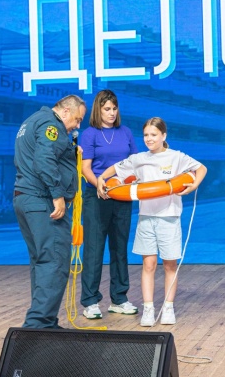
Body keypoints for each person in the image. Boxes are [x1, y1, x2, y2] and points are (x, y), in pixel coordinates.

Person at [96, 117, 207, 326]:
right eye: (146, 135)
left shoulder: (176, 157)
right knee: (148, 264)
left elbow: (201, 168)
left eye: (153, 135)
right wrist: (102, 178)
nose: (149, 138)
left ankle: (168, 308)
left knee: (170, 265)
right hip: (146, 218)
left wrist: (193, 186)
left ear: (163, 135)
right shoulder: (138, 159)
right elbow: (116, 169)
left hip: (169, 217)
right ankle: (148, 309)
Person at [13, 94, 86, 329]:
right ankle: (38, 326)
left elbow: (45, 154)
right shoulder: (51, 125)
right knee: (55, 260)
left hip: (26, 199)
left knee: (42, 261)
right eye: (77, 119)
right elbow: (44, 159)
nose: (77, 125)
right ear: (65, 111)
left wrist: (69, 150)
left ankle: (44, 322)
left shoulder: (32, 120)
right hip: (42, 201)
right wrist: (57, 195)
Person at [79, 90, 139, 319]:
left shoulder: (126, 132)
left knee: (119, 248)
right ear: (98, 110)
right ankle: (90, 301)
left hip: (122, 197)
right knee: (94, 250)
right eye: (107, 109)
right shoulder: (89, 134)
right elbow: (85, 168)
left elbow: (134, 163)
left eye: (114, 108)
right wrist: (99, 184)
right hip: (96, 197)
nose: (111, 113)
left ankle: (119, 299)